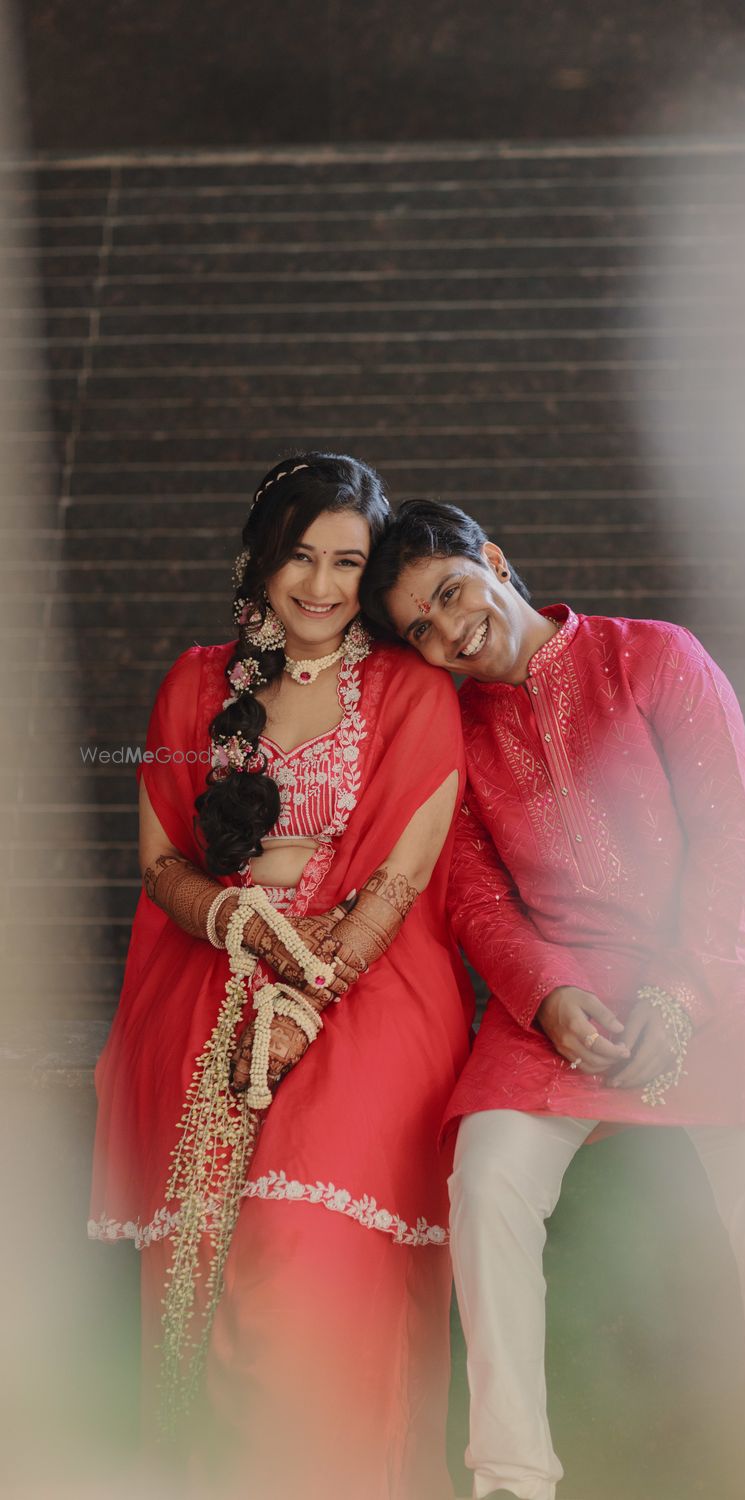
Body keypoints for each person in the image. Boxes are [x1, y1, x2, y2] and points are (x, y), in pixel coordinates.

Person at [361, 499, 745, 1500]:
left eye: (451, 592)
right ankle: (511, 1475)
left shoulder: (652, 657)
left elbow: (729, 839)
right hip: (560, 1002)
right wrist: (546, 995)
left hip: (718, 971)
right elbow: (473, 896)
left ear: (493, 560)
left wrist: (682, 991)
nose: (450, 632)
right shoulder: (453, 734)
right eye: (421, 628)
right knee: (487, 1175)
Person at [89, 457, 473, 1500]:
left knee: (298, 1237)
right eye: (300, 556)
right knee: (205, 1248)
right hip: (210, 970)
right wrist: (237, 918)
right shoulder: (193, 683)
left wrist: (306, 994)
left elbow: (400, 878)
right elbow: (162, 861)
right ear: (260, 559)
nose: (320, 584)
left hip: (369, 981)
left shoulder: (411, 690)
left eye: (348, 562)